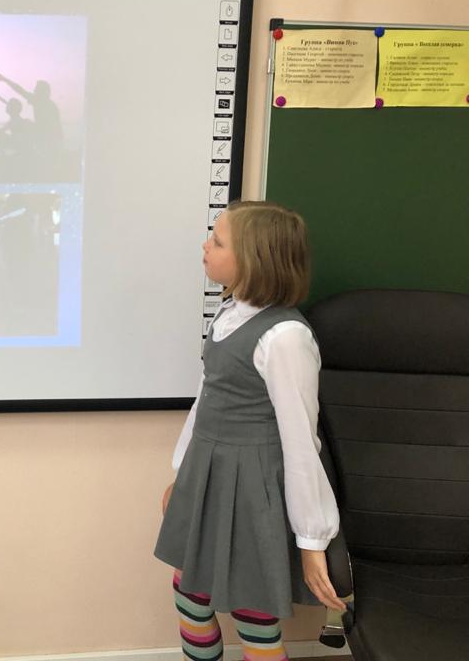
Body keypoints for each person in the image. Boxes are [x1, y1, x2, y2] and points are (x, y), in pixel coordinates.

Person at [154, 201, 346, 661]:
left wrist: (312, 541)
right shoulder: (227, 314)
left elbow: (301, 442)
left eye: (218, 241)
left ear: (254, 260)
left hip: (252, 487)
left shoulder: (285, 337)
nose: (206, 245)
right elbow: (206, 400)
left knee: (251, 609)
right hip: (209, 474)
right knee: (190, 593)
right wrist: (182, 475)